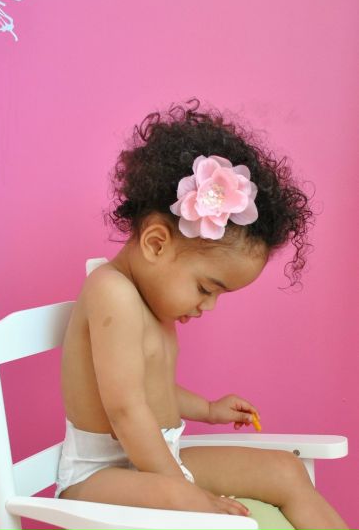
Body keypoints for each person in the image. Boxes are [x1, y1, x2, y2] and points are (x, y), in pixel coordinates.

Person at [55, 98, 350, 530]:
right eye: (206, 288)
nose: (208, 305)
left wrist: (208, 409)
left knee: (285, 471)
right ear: (156, 244)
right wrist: (186, 490)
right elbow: (126, 410)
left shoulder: (149, 302)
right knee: (179, 496)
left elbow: (153, 389)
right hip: (100, 477)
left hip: (156, 461)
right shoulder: (111, 292)